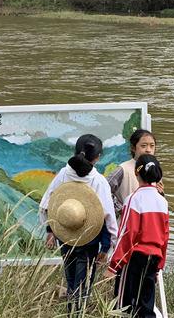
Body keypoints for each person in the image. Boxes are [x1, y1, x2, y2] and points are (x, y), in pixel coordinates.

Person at [40, 134, 119, 315]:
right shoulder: (98, 181)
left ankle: (72, 311)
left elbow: (48, 204)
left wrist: (50, 230)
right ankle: (76, 312)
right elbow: (108, 218)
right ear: (98, 157)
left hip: (65, 236)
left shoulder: (62, 175)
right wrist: (106, 247)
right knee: (83, 284)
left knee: (71, 279)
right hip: (89, 240)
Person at [110, 155, 170, 318]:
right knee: (146, 304)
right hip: (154, 257)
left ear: (137, 174)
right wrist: (160, 264)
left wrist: (114, 265)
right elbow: (165, 236)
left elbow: (126, 234)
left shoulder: (133, 199)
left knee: (122, 305)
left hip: (134, 257)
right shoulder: (162, 201)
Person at [107, 129, 162, 215]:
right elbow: (105, 189)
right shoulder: (123, 169)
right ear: (133, 148)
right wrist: (120, 208)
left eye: (152, 146)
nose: (148, 150)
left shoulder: (154, 168)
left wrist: (161, 193)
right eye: (143, 146)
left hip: (149, 221)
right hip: (127, 220)